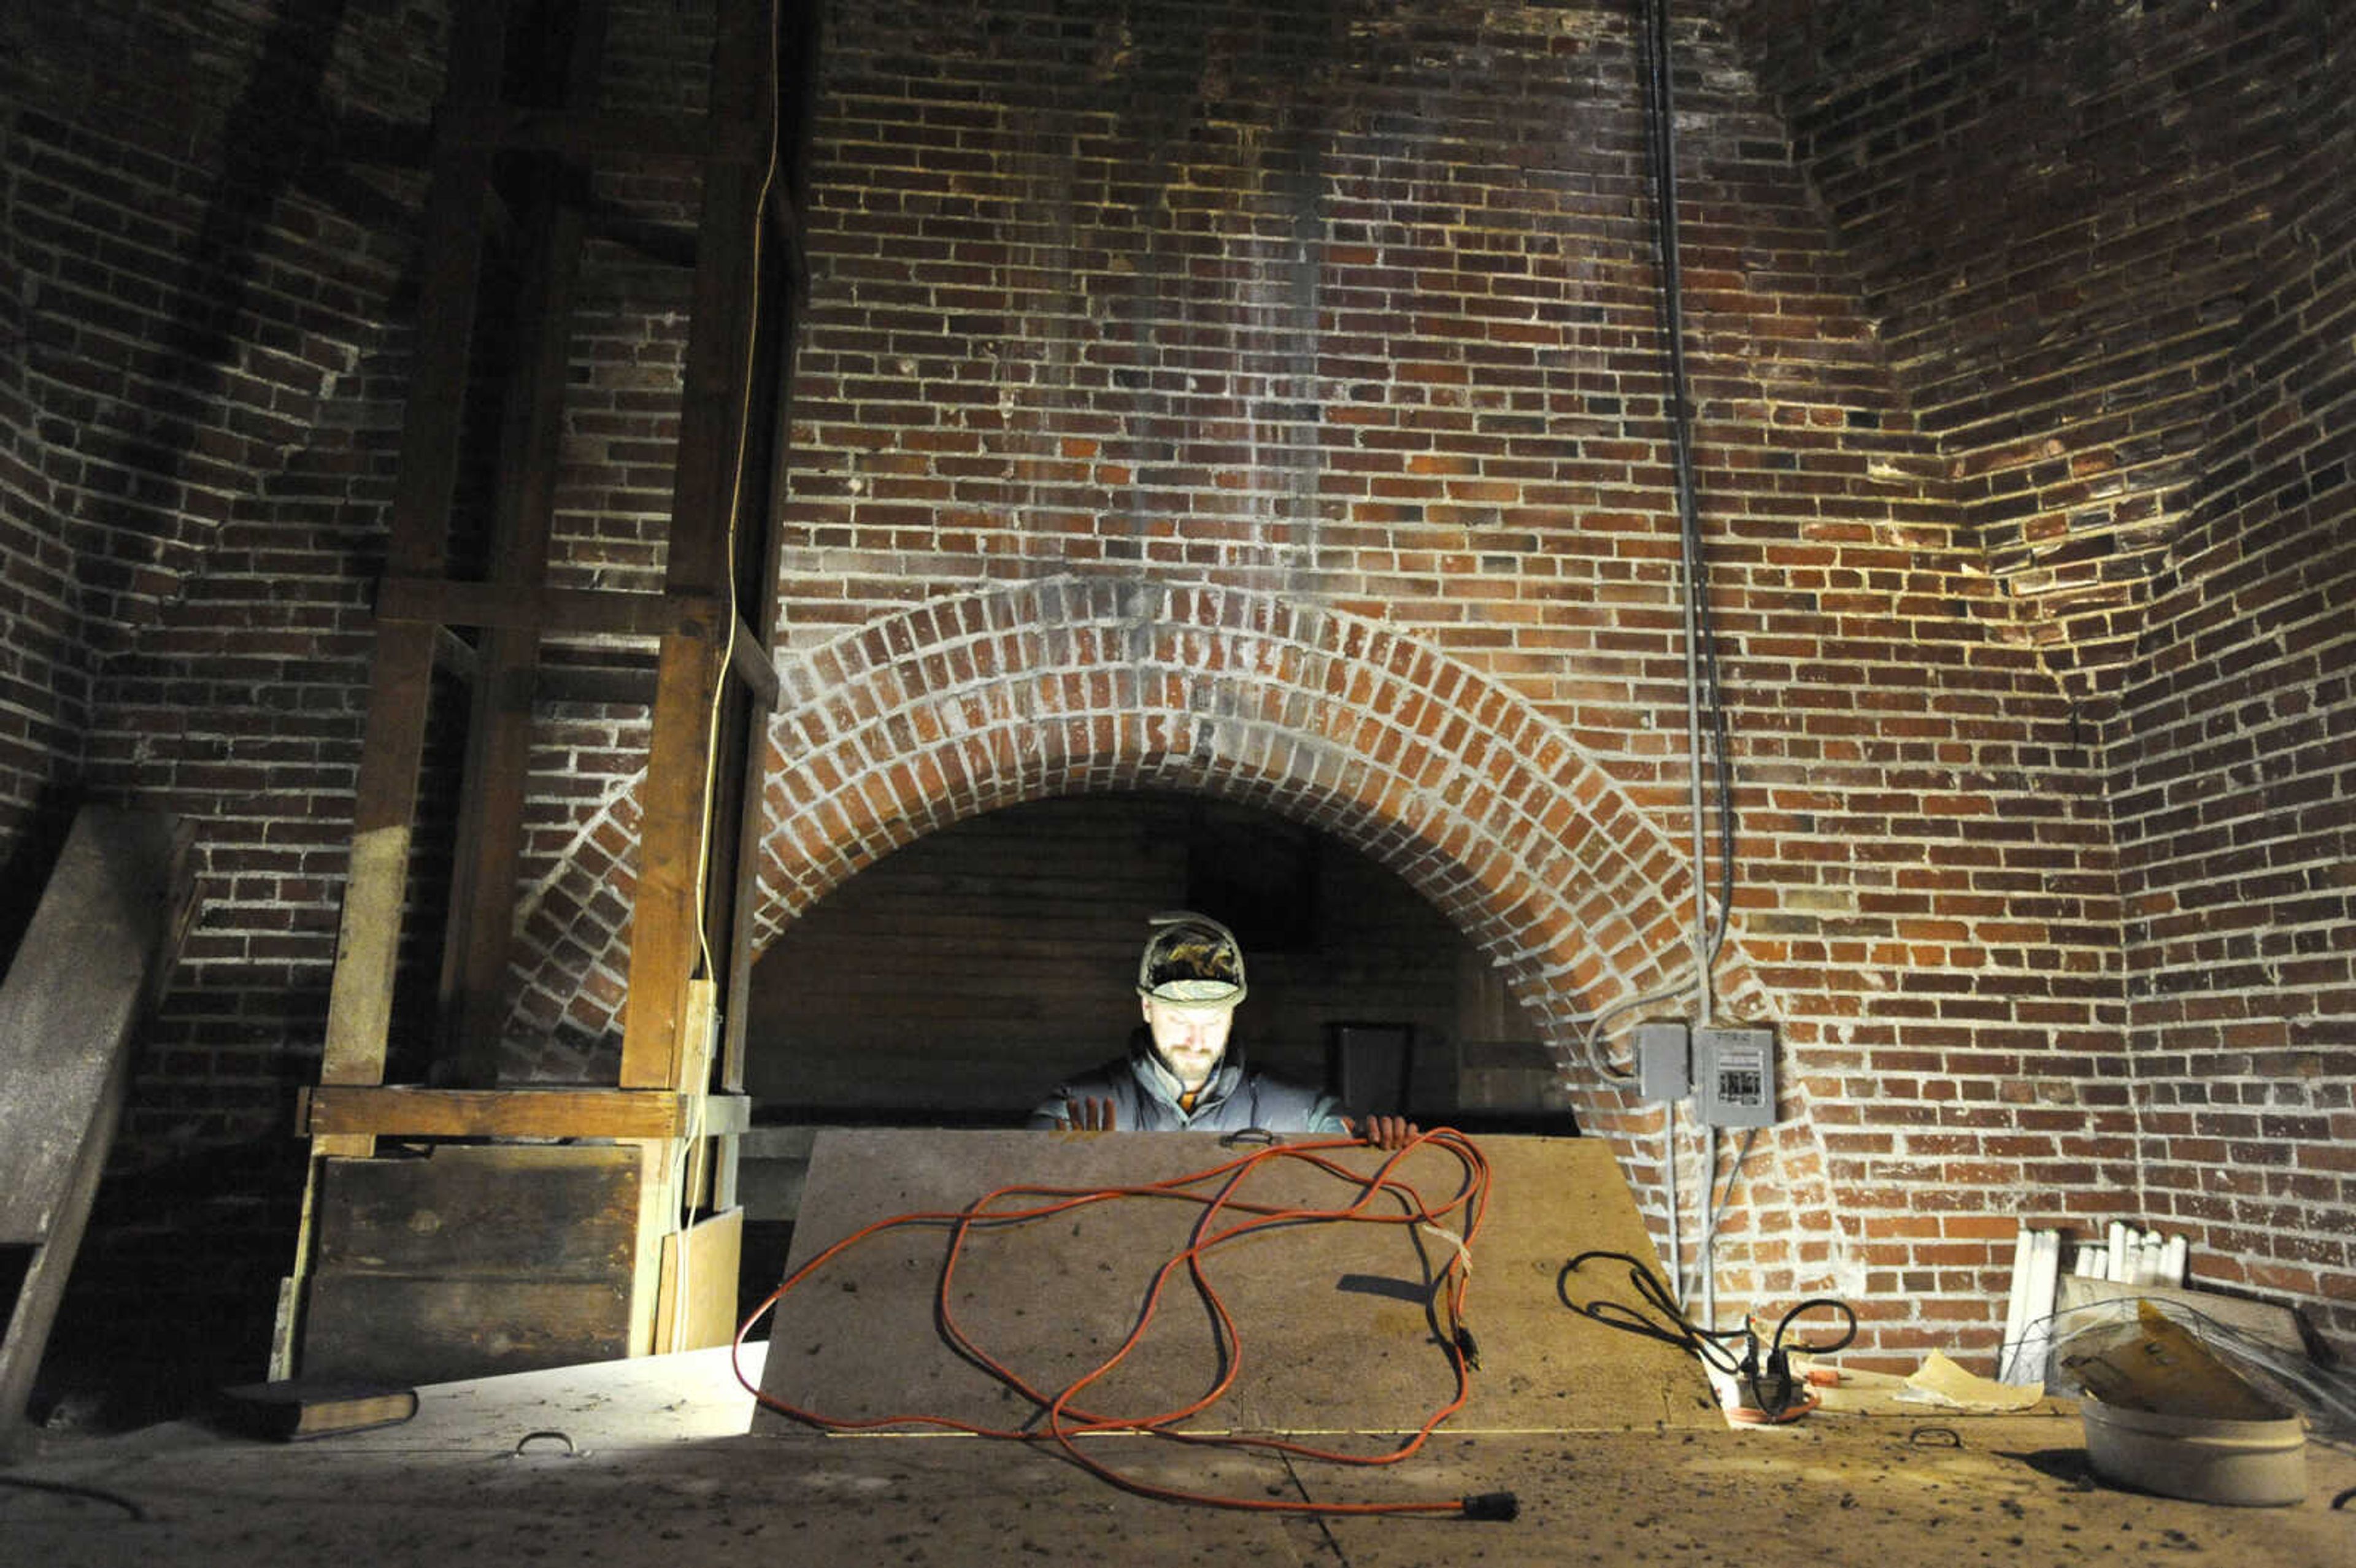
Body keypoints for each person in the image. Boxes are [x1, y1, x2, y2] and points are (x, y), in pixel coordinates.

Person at [1026, 910, 1418, 1149]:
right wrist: (1075, 1167)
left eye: (1212, 1022)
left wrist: (1381, 1147)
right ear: (1147, 1007)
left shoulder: (1302, 1114)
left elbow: (1352, 1169)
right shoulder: (1076, 1110)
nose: (1196, 1042)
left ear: (1233, 1015)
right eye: (1180, 1021)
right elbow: (1022, 1197)